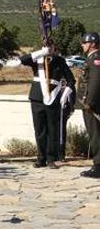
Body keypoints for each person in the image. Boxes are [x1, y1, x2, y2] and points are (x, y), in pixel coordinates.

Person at [20, 43, 75, 168]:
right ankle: (41, 158)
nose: (50, 49)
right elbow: (23, 60)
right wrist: (41, 53)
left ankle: (51, 159)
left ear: (55, 48)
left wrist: (64, 95)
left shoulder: (60, 61)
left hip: (53, 98)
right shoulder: (38, 59)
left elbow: (71, 81)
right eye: (47, 47)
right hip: (37, 98)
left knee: (52, 130)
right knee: (39, 130)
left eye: (51, 47)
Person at [77, 32, 100, 178]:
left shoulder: (96, 59)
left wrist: (89, 102)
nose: (82, 45)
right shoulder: (91, 59)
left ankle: (98, 166)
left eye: (85, 43)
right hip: (88, 103)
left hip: (92, 105)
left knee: (96, 135)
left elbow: (96, 83)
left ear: (92, 44)